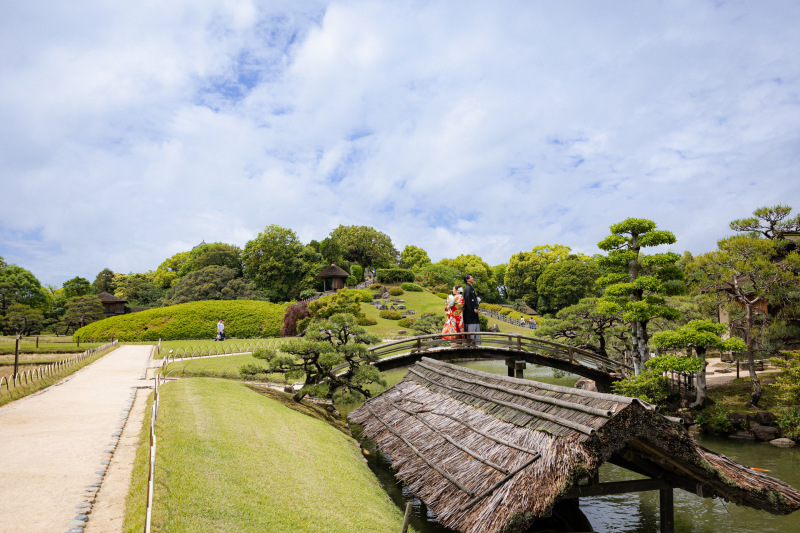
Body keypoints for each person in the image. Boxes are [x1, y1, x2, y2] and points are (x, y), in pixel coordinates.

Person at [462, 274, 480, 344]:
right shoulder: (467, 289)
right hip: (470, 314)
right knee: (471, 329)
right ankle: (470, 344)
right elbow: (467, 301)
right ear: (467, 280)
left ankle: (474, 343)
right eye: (471, 277)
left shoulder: (470, 288)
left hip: (473, 313)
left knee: (475, 327)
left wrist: (476, 307)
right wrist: (473, 310)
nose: (472, 278)